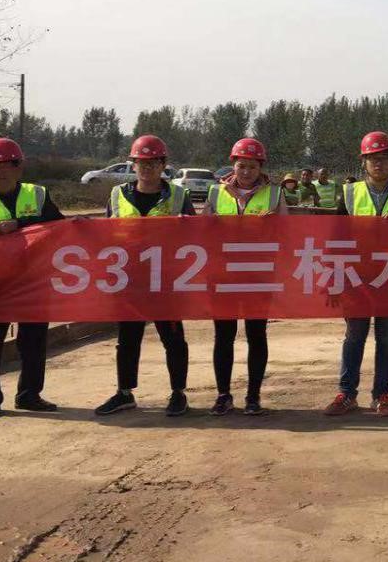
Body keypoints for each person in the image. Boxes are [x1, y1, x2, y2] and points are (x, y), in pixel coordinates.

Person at [0, 137, 65, 421]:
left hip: (34, 282)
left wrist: (19, 224)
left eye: (5, 166)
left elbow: (59, 226)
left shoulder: (38, 195)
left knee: (33, 342)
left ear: (18, 167)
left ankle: (29, 395)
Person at [323, 131, 388, 418]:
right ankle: (347, 394)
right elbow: (336, 239)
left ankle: (381, 395)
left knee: (387, 338)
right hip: (356, 278)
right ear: (363, 163)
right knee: (354, 336)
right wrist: (333, 277)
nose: (378, 163)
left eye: (383, 158)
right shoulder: (350, 193)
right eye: (372, 159)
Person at [94, 135, 196, 417]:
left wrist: (186, 226)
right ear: (133, 164)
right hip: (129, 280)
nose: (147, 168)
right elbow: (106, 234)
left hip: (165, 281)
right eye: (141, 162)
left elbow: (195, 236)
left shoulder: (178, 196)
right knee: (128, 338)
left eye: (153, 163)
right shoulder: (118, 195)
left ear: (163, 165)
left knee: (173, 339)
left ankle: (178, 393)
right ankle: (124, 393)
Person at [203, 138, 285, 416]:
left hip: (258, 275)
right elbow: (201, 232)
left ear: (260, 167)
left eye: (252, 166)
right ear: (233, 166)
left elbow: (288, 233)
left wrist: (273, 225)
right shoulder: (216, 193)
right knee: (223, 336)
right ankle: (223, 395)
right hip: (222, 275)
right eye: (241, 166)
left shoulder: (274, 195)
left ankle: (253, 395)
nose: (246, 172)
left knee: (256, 334)